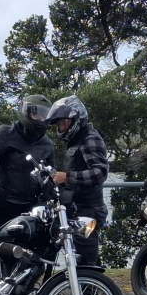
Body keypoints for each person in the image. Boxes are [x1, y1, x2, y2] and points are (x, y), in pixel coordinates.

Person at [0, 95, 56, 234]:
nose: (40, 119)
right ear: (26, 113)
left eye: (44, 115)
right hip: (0, 203)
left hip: (30, 206)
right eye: (36, 114)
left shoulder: (47, 144)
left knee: (28, 252)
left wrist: (46, 196)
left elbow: (50, 175)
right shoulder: (5, 132)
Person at [46, 94, 109, 267]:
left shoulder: (90, 138)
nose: (61, 126)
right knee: (80, 253)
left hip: (89, 209)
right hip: (78, 207)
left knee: (86, 257)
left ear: (77, 118)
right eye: (59, 123)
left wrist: (67, 177)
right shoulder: (76, 140)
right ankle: (88, 289)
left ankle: (89, 292)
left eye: (64, 121)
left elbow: (100, 173)